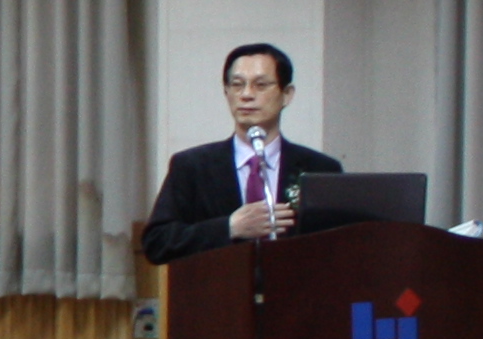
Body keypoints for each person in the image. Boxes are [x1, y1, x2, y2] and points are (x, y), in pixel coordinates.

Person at [140, 41, 342, 263]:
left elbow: (339, 247)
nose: (246, 94)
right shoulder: (192, 166)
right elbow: (157, 243)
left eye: (260, 85)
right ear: (226, 92)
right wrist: (229, 227)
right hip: (219, 283)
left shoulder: (320, 168)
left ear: (286, 94)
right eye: (237, 85)